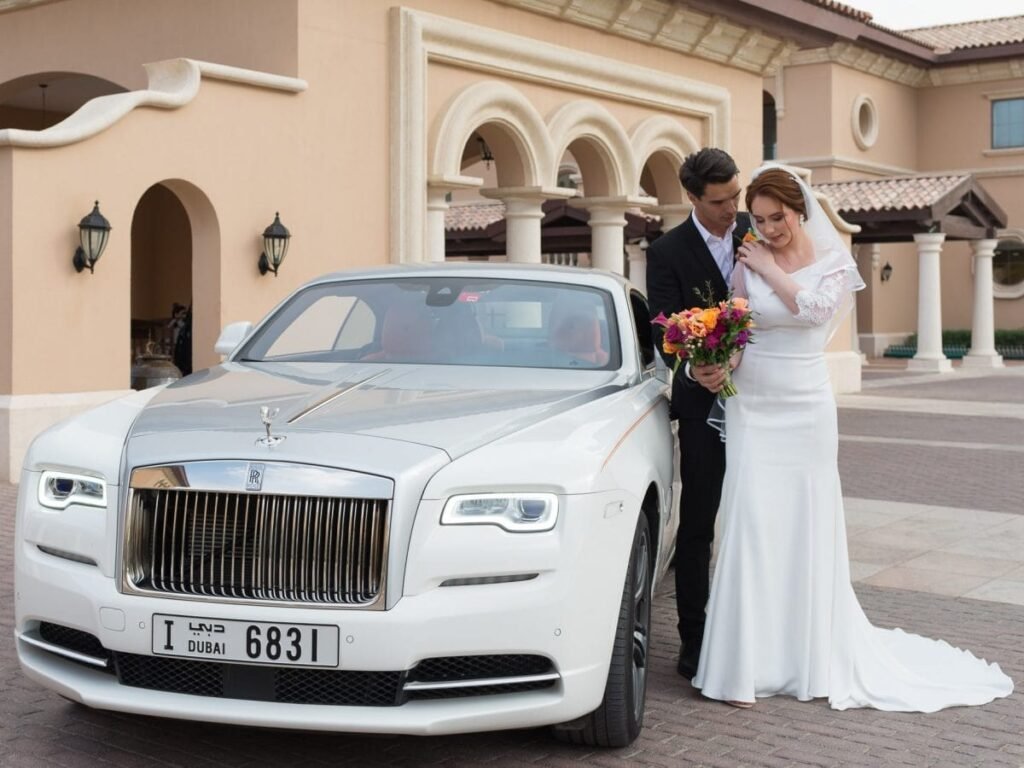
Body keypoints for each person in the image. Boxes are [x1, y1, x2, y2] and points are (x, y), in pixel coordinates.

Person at [692, 165, 1013, 711]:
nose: (767, 228)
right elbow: (741, 327)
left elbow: (816, 314)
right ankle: (743, 666)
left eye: (778, 217)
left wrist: (772, 268)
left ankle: (809, 655)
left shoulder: (833, 262)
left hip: (806, 406)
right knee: (750, 522)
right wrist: (716, 363)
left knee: (805, 521)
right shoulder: (746, 259)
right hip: (753, 405)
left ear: (800, 210)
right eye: (760, 219)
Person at [645, 148, 750, 680]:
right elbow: (665, 332)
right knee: (699, 524)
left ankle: (755, 629)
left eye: (736, 194)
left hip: (761, 401)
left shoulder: (758, 229)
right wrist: (695, 367)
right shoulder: (666, 251)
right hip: (701, 400)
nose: (733, 208)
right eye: (720, 201)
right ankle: (695, 638)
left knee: (756, 517)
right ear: (693, 198)